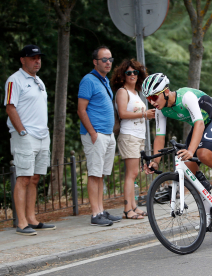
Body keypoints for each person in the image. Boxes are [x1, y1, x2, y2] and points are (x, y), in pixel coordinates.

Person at [142, 73, 212, 232]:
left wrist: (191, 150)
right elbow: (159, 137)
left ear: (166, 92)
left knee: (203, 154)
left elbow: (199, 124)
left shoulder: (186, 97)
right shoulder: (160, 110)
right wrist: (155, 162)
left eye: (154, 97)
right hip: (201, 125)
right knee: (189, 169)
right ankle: (208, 213)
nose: (152, 102)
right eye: (149, 99)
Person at [5, 45, 56, 236]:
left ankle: (32, 219)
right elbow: (10, 107)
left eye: (39, 58)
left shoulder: (39, 81)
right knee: (24, 177)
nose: (37, 61)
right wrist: (22, 131)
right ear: (23, 60)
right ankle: (21, 223)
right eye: (33, 58)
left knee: (35, 178)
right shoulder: (14, 80)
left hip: (43, 135)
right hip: (25, 136)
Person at [77, 46, 122, 226]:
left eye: (110, 59)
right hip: (96, 134)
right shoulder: (88, 80)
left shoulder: (103, 81)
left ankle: (101, 210)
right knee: (94, 174)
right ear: (95, 61)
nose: (108, 62)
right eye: (104, 59)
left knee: (101, 174)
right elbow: (81, 110)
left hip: (107, 134)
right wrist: (93, 133)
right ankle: (95, 214)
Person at [111, 59, 155, 219]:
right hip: (128, 135)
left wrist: (147, 116)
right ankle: (127, 209)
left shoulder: (136, 93)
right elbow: (123, 114)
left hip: (138, 135)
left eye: (135, 72)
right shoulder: (122, 92)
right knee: (131, 173)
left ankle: (133, 206)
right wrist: (144, 114)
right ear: (123, 76)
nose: (132, 75)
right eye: (128, 72)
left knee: (134, 173)